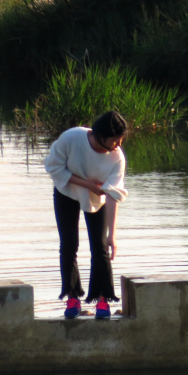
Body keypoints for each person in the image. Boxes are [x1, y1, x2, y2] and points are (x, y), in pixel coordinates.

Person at [44, 111, 129, 319]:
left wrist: (112, 235)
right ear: (100, 135)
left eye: (121, 139)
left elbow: (113, 195)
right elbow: (53, 166)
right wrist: (87, 184)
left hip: (96, 199)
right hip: (67, 191)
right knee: (69, 244)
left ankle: (102, 299)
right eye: (115, 139)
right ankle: (72, 296)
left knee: (100, 246)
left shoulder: (117, 158)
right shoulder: (71, 138)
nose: (118, 144)